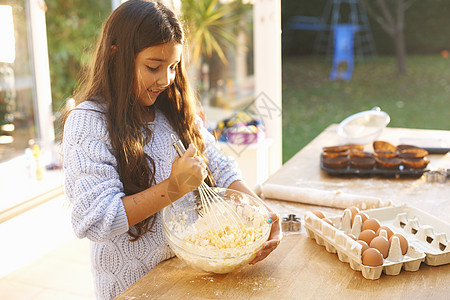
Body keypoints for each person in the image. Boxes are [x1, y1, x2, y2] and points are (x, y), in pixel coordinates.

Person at [61, 1, 282, 299]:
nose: (165, 80)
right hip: (133, 290)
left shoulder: (170, 110)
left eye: (173, 66)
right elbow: (96, 219)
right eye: (153, 67)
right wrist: (175, 186)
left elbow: (217, 165)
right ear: (117, 54)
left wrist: (263, 213)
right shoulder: (89, 122)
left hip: (185, 278)